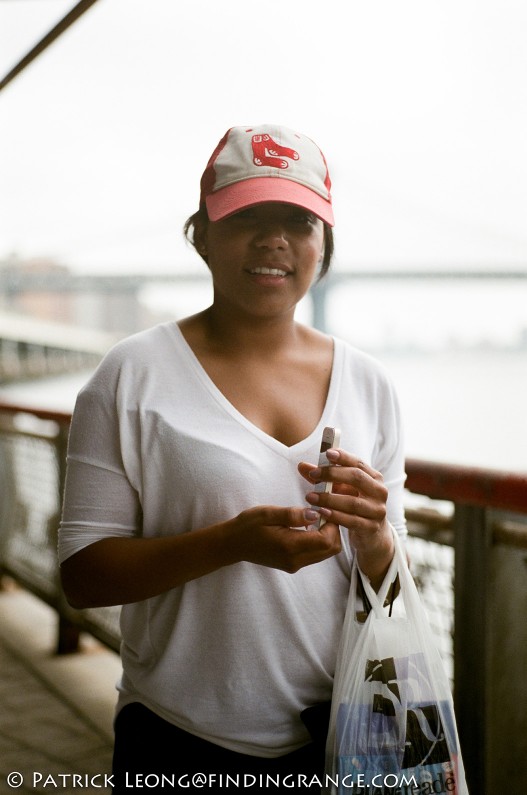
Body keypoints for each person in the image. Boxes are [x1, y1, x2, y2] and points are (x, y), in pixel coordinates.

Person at [58, 124, 407, 793]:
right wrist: (229, 542)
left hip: (342, 735)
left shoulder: (369, 383)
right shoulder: (130, 374)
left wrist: (376, 537)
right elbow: (83, 575)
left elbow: (392, 584)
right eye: (248, 215)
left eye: (299, 220)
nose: (274, 239)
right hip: (178, 736)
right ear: (203, 234)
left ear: (323, 245)